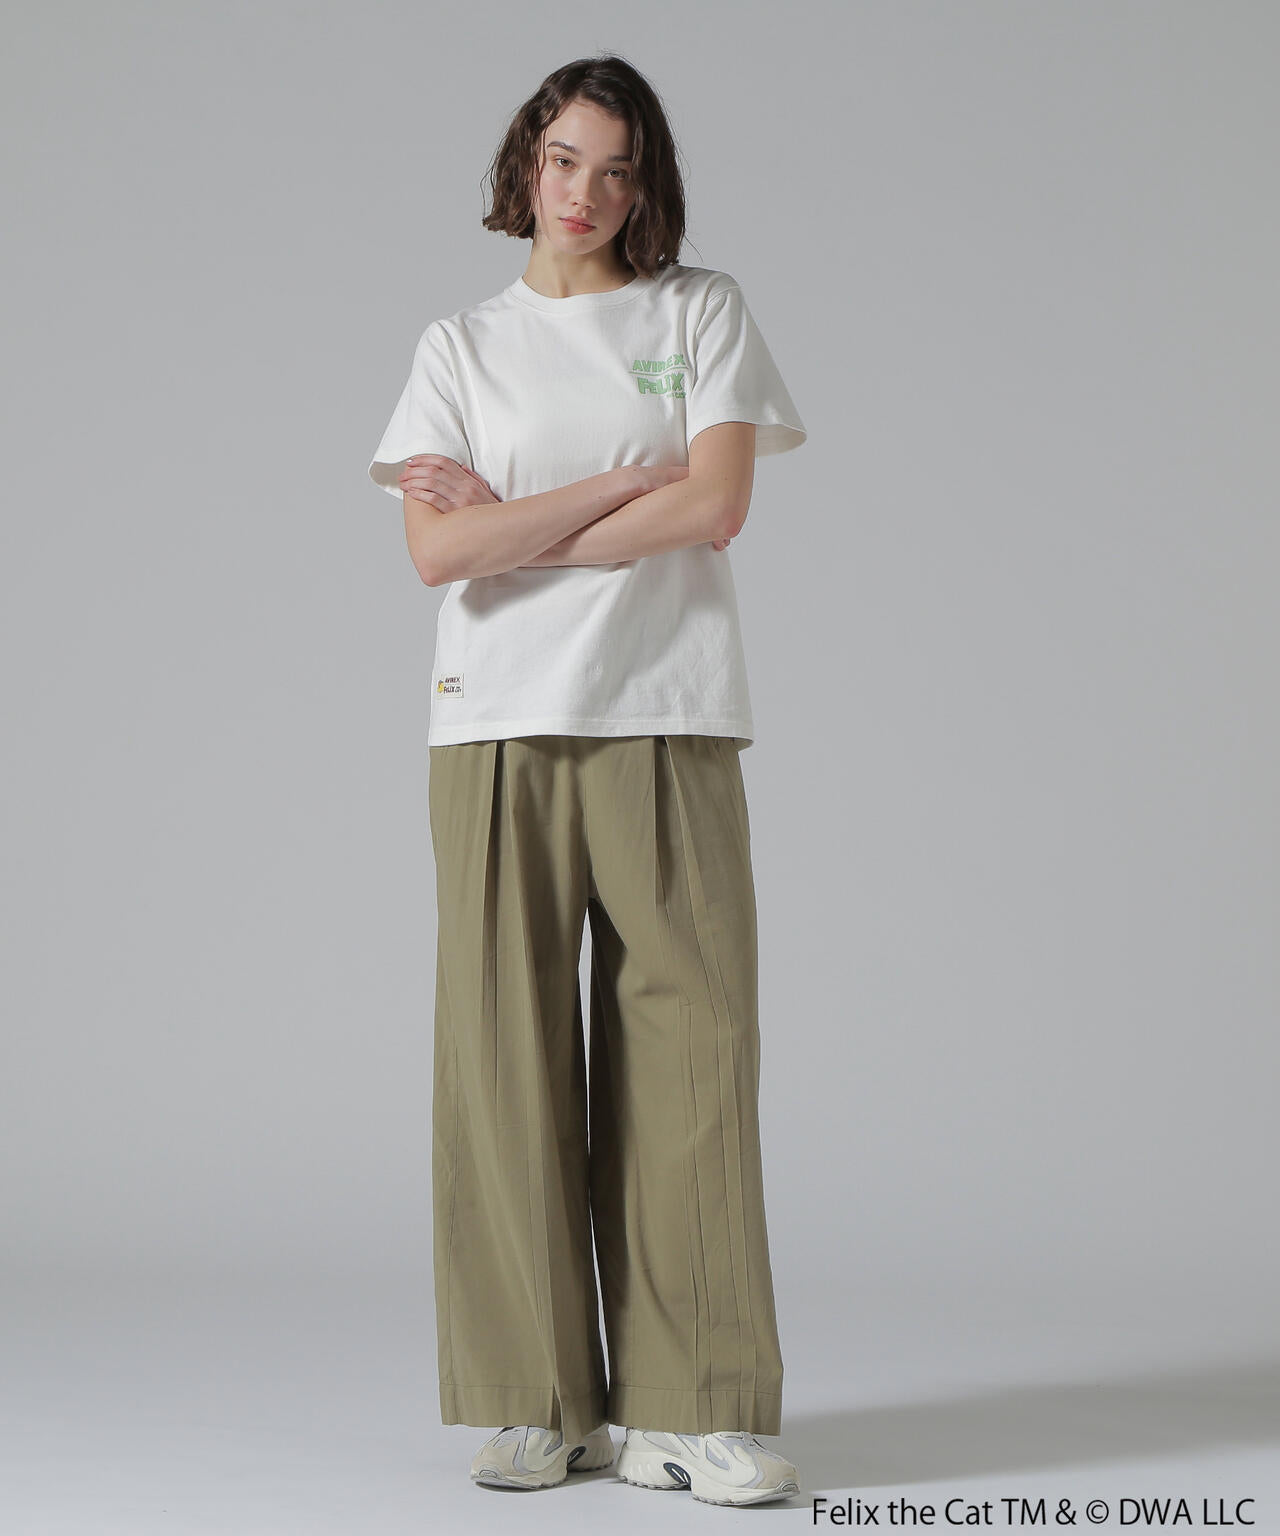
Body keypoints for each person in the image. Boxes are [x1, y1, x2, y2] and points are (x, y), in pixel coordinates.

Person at [366, 54, 807, 1508]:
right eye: (564, 159)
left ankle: (696, 1406)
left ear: (646, 184)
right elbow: (437, 553)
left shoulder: (700, 313)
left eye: (617, 168)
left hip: (668, 713)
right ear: (525, 164)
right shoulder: (459, 347)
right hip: (494, 725)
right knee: (502, 1057)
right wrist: (631, 485)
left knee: (695, 1050)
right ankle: (538, 1401)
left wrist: (525, 525)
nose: (586, 193)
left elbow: (718, 501)